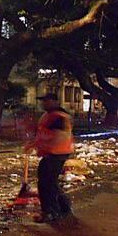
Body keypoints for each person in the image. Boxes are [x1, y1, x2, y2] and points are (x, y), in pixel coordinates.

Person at [24, 93, 74, 223]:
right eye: (43, 101)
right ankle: (64, 207)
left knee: (46, 184)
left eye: (46, 101)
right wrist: (34, 144)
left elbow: (58, 137)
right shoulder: (50, 115)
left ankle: (51, 212)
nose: (43, 103)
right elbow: (43, 133)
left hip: (56, 153)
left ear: (55, 101)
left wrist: (38, 145)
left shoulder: (58, 117)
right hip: (53, 153)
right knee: (50, 183)